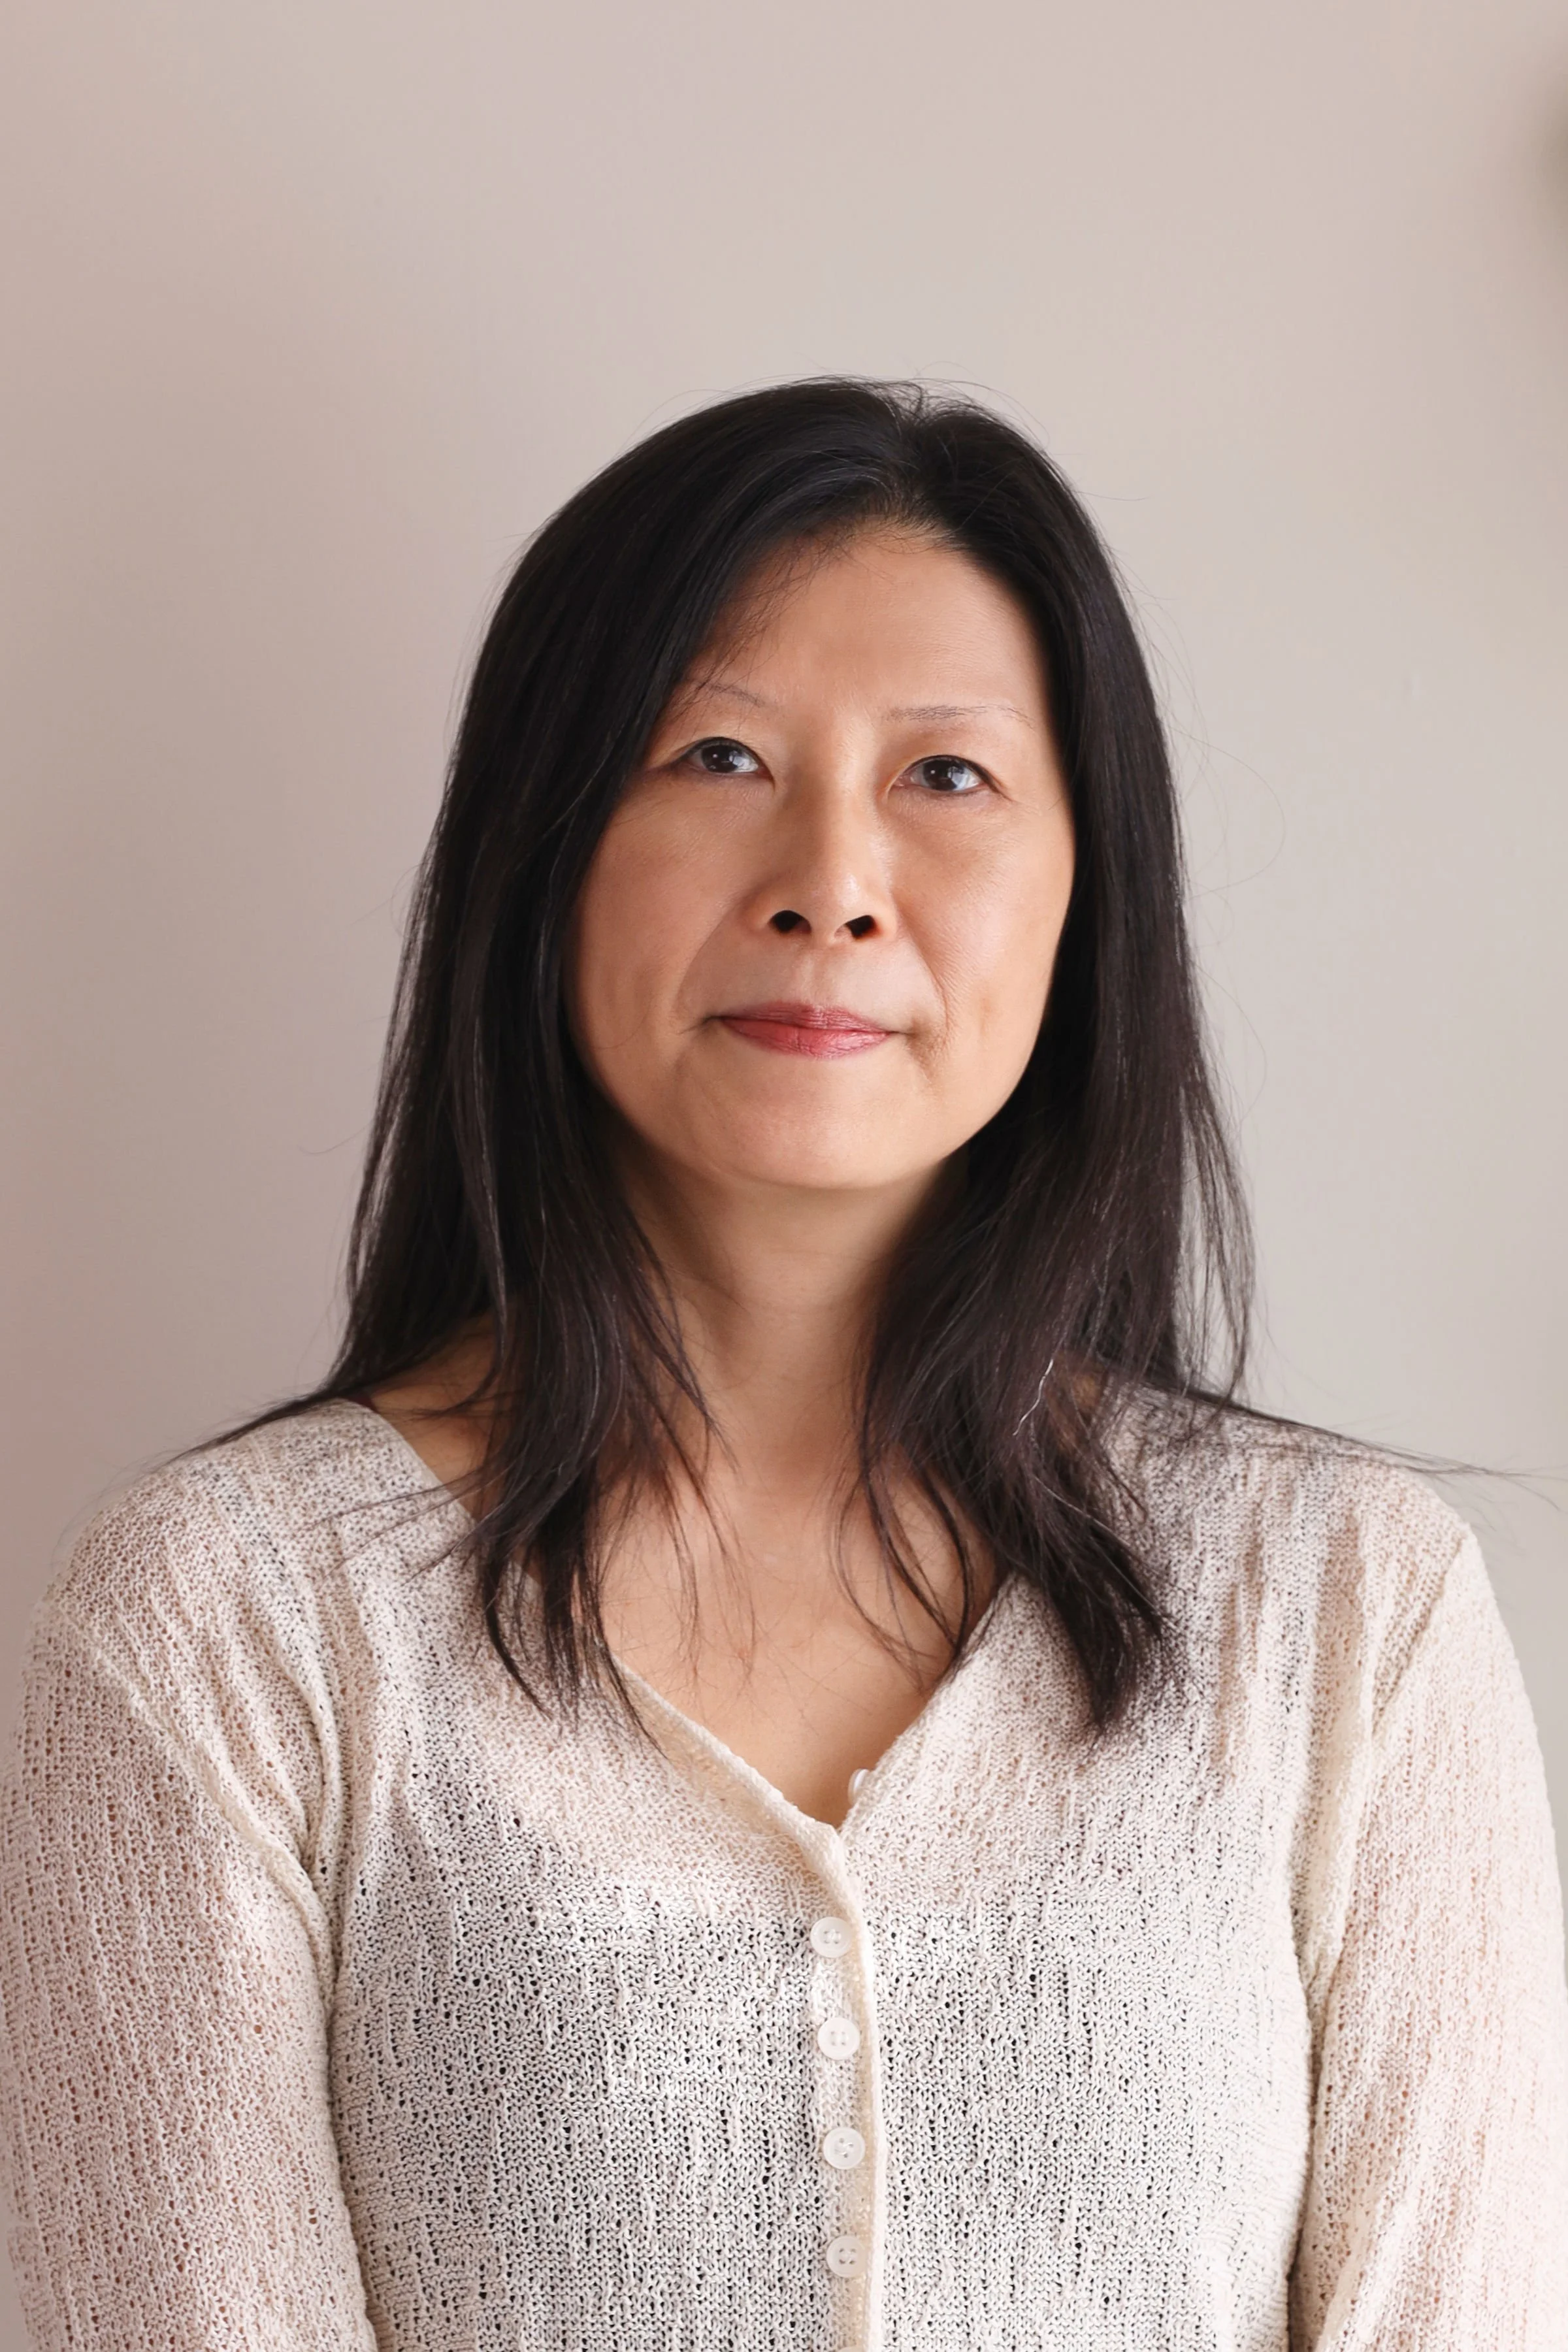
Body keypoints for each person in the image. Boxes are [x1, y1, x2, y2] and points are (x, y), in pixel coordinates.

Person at [1, 380, 1563, 2352]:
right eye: (720, 755)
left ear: (1087, 892)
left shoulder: (1348, 1610)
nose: (831, 880)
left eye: (948, 775)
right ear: (546, 850)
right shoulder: (221, 1626)